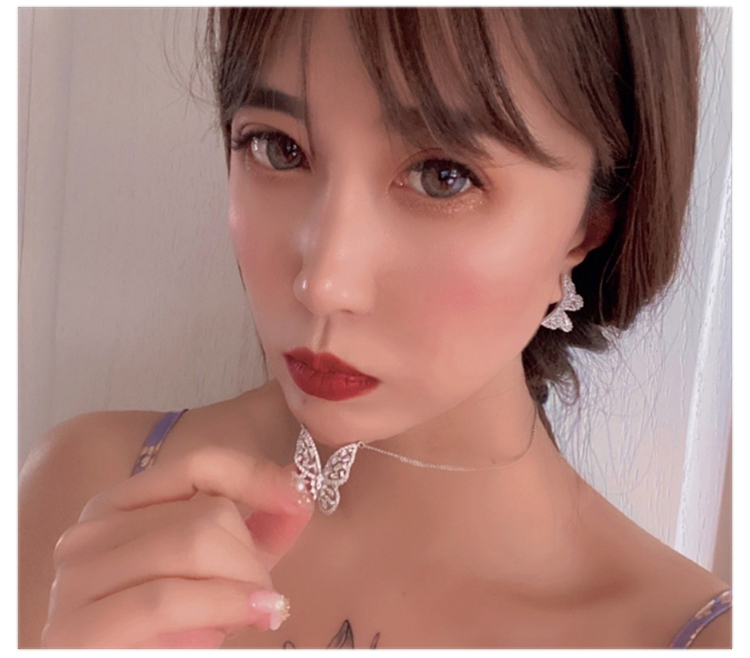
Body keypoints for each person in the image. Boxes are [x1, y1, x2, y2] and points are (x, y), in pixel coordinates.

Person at [19, 7, 731, 649]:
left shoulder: (689, 638)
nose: (324, 283)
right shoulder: (87, 494)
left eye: (443, 176)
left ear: (590, 223)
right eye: (277, 147)